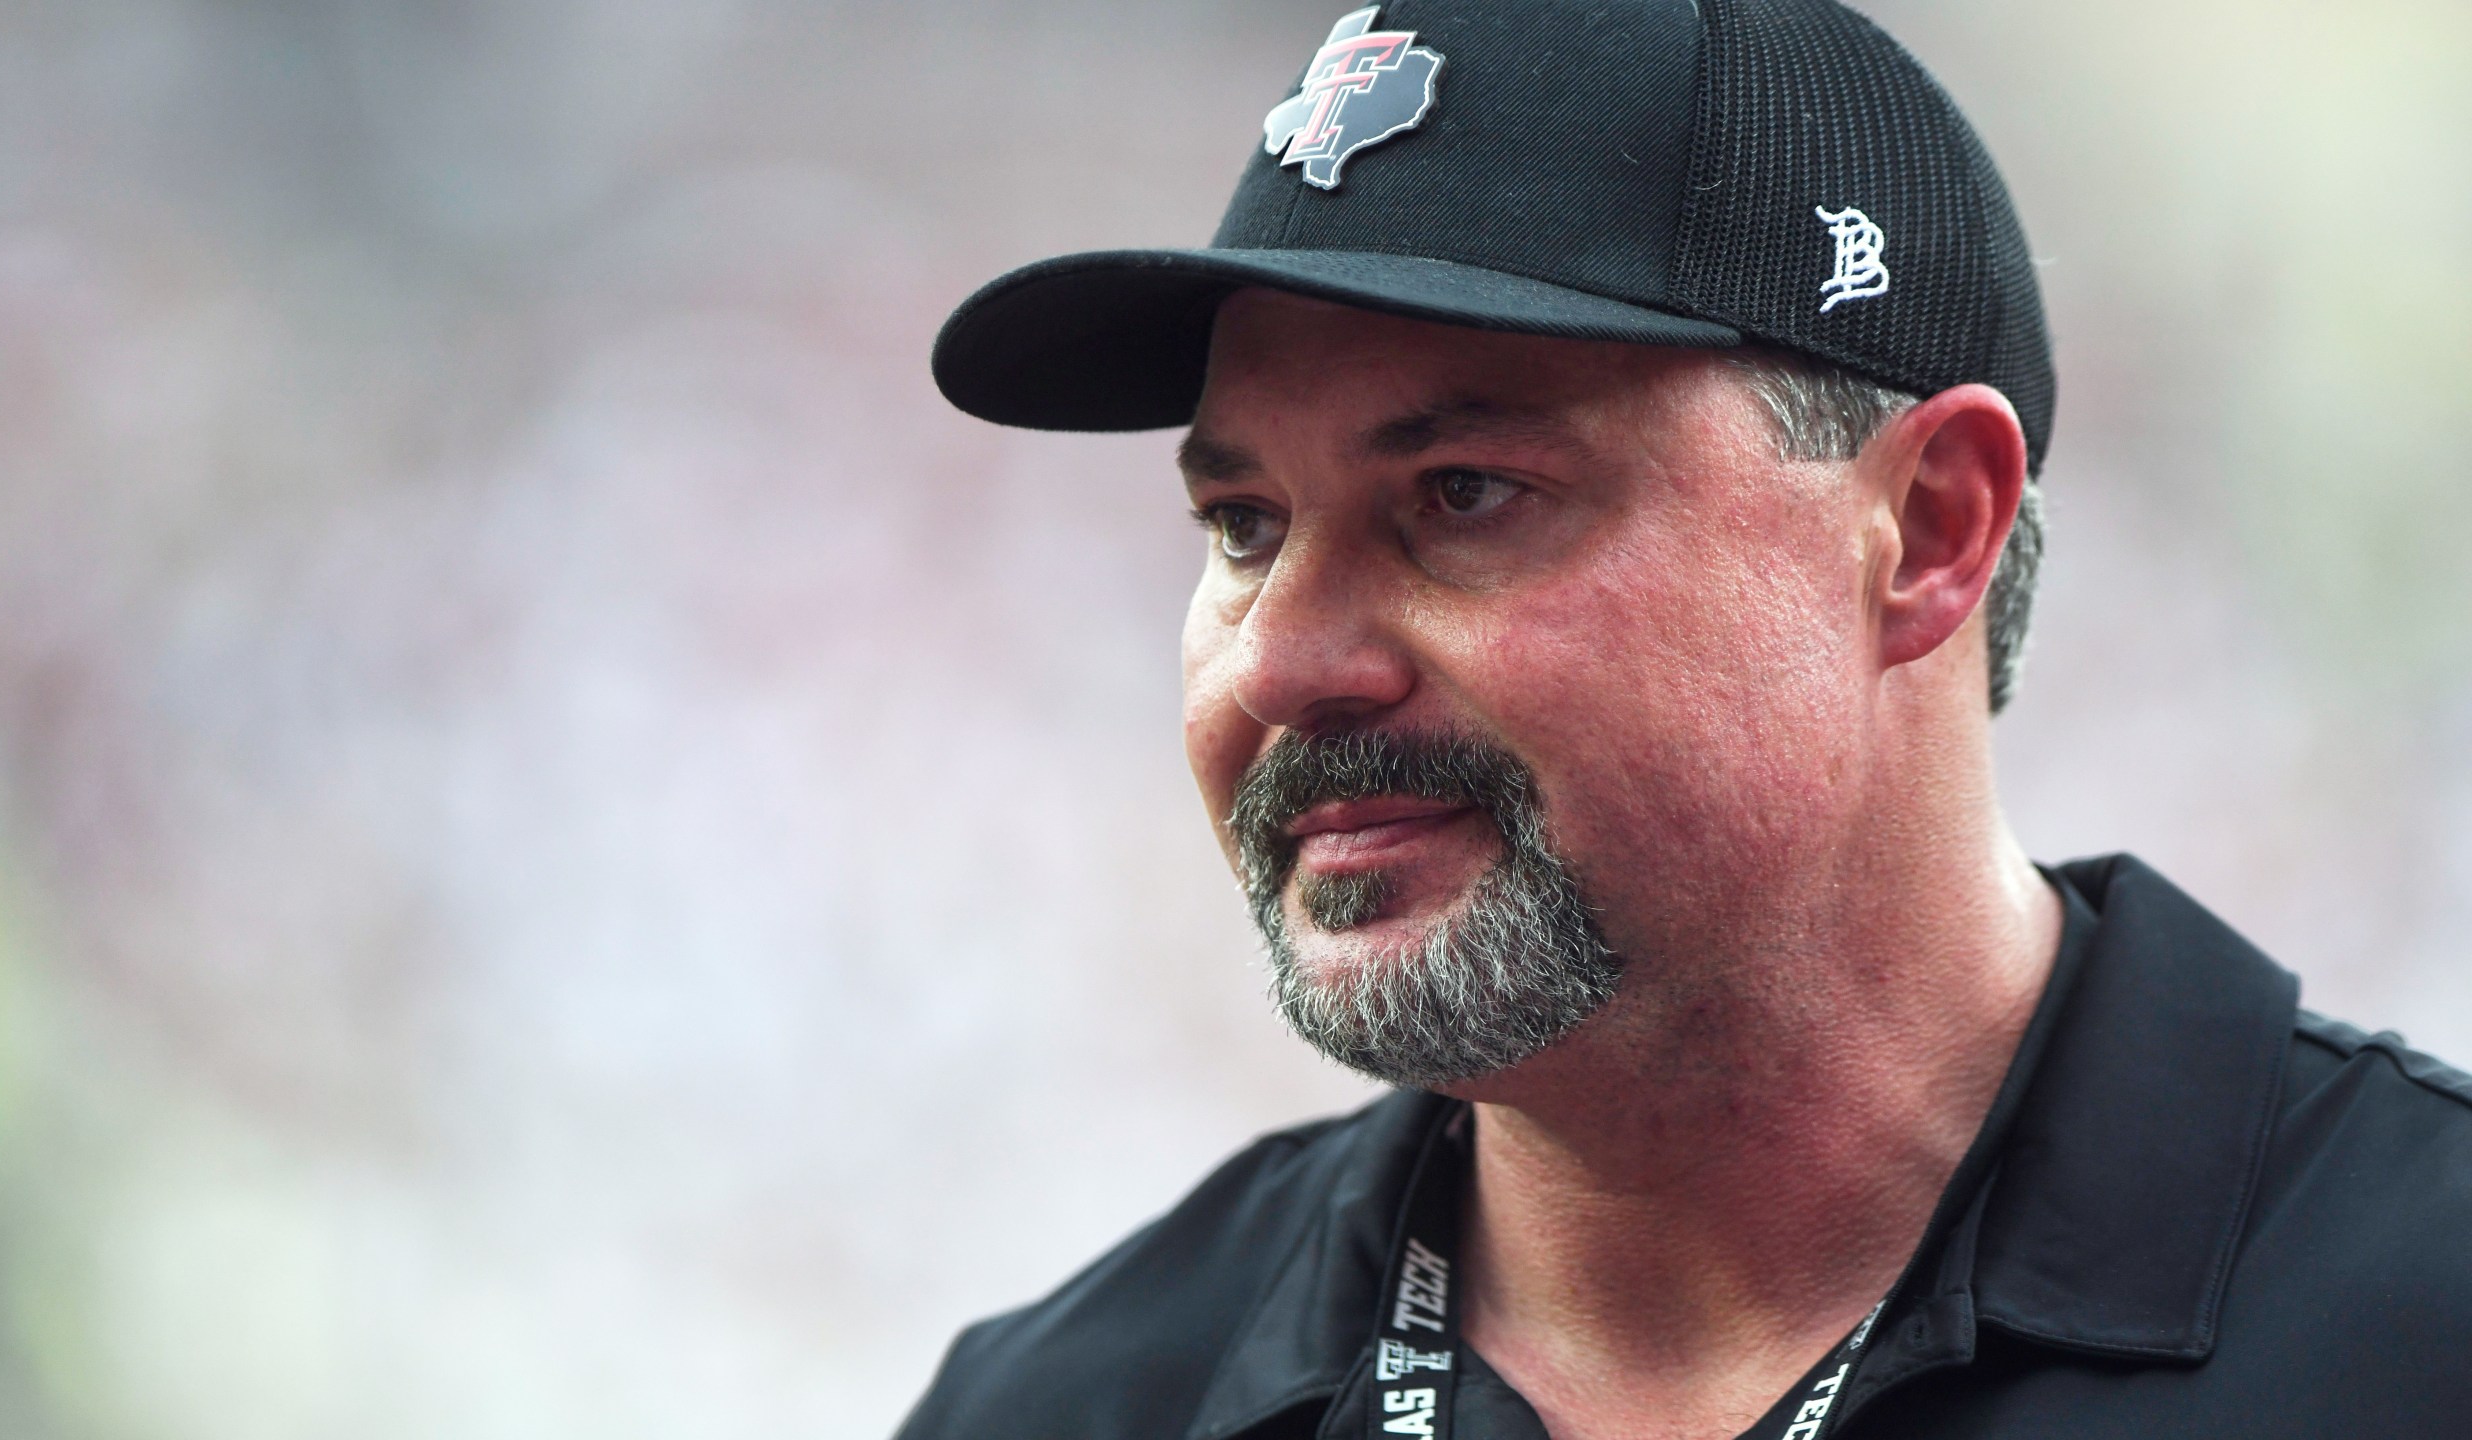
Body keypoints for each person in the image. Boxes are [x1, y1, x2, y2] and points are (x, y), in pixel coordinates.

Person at [902, 1, 2472, 1436]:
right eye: (1243, 525)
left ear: (1929, 528)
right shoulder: (1070, 1404)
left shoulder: (2418, 1320)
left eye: (1463, 494)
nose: (1280, 663)